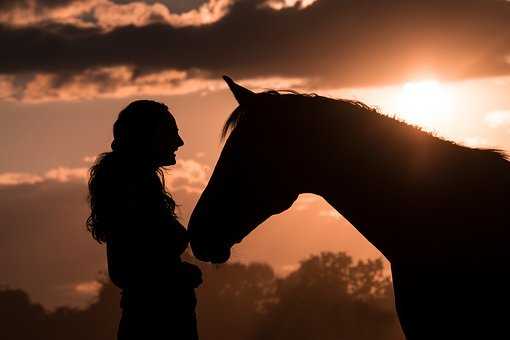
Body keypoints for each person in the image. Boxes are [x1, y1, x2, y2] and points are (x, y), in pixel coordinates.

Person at [86, 100, 202, 340]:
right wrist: (177, 275)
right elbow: (127, 268)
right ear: (148, 136)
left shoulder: (134, 185)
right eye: (171, 133)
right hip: (154, 324)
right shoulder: (131, 189)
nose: (179, 142)